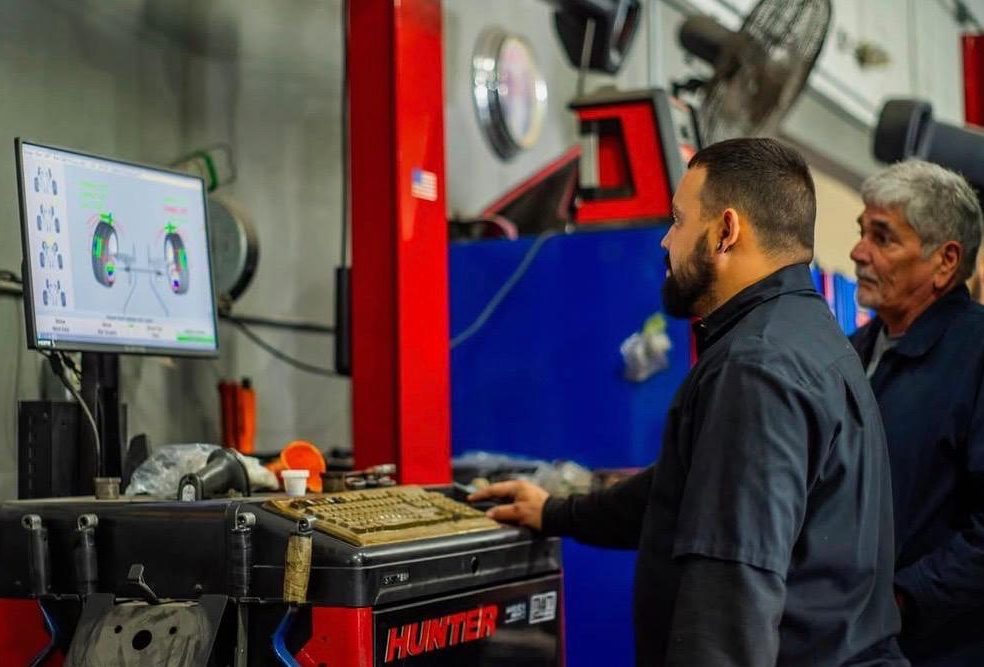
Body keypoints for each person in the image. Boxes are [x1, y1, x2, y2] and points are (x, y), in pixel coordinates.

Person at [471, 138, 906, 666]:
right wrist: (560, 512)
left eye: (678, 221)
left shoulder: (757, 368)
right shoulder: (814, 339)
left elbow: (732, 593)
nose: (665, 242)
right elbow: (685, 486)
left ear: (726, 231)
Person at [850, 160, 984, 666]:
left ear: (945, 261)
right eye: (861, 232)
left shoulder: (977, 355)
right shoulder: (851, 353)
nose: (858, 252)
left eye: (882, 238)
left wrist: (904, 599)